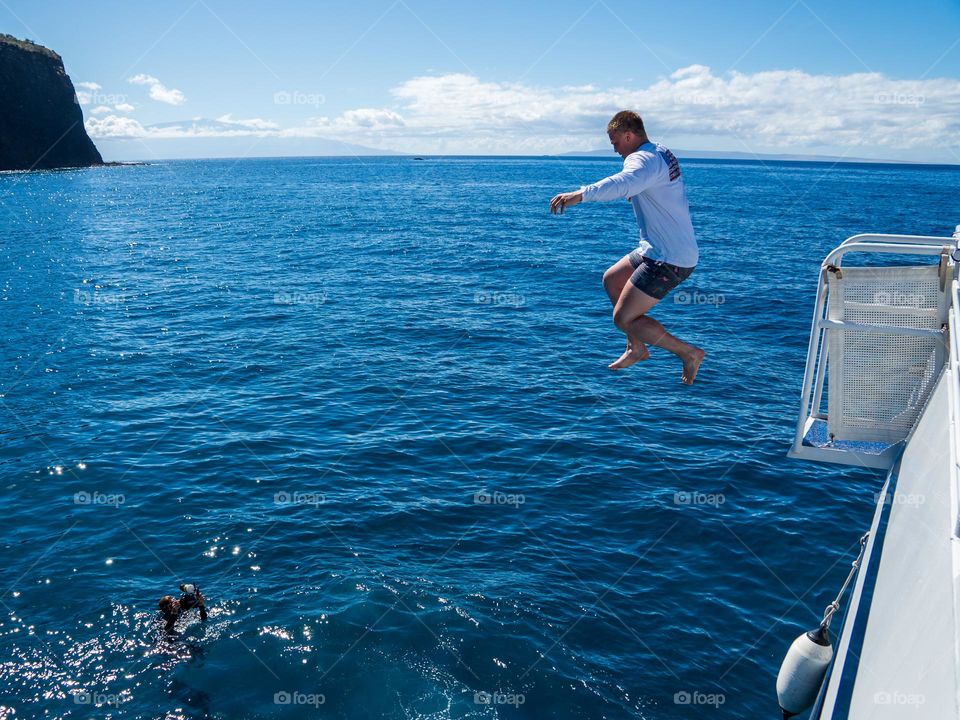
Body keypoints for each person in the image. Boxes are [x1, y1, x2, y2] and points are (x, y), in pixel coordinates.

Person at [550, 110, 705, 384]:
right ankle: (636, 347)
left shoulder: (642, 159)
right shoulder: (659, 153)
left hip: (669, 258)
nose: (615, 150)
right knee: (612, 279)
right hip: (656, 249)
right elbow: (647, 185)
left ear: (628, 136)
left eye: (615, 143)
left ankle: (688, 353)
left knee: (623, 318)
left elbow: (624, 182)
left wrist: (581, 194)